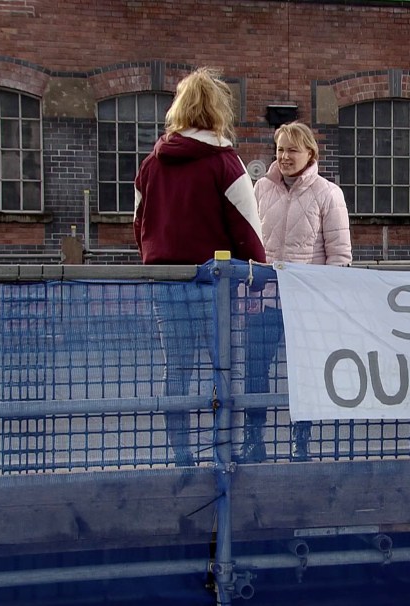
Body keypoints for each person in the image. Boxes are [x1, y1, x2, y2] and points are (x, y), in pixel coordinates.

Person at [134, 66, 266, 467]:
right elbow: (247, 227)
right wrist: (257, 274)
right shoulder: (225, 162)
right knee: (223, 366)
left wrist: (155, 257)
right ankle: (221, 449)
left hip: (165, 280)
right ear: (217, 110)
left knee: (176, 368)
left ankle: (181, 454)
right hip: (215, 282)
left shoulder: (152, 164)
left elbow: (139, 223)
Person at [242, 121, 352, 463]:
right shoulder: (260, 189)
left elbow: (339, 254)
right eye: (280, 149)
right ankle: (253, 439)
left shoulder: (328, 193)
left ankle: (300, 441)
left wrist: (327, 298)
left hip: (306, 304)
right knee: (254, 372)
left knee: (303, 374)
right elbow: (250, 242)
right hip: (264, 300)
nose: (285, 156)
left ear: (310, 153)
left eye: (292, 149)